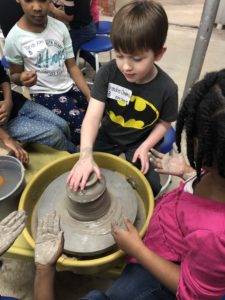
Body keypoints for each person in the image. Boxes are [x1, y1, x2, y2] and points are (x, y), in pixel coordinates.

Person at [34, 67, 225, 300]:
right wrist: (188, 173)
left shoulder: (213, 233)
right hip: (170, 233)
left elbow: (194, 292)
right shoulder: (214, 172)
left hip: (164, 271)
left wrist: (137, 249)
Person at [67, 0, 178, 196]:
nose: (126, 66)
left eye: (136, 59)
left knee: (150, 188)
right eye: (119, 55)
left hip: (140, 141)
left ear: (159, 53)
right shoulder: (108, 73)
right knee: (79, 176)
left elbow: (165, 122)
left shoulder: (167, 88)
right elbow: (92, 117)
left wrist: (146, 146)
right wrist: (85, 155)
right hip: (108, 135)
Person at [4, 0, 90, 146]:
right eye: (29, 0)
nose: (37, 7)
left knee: (92, 113)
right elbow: (14, 75)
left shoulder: (60, 27)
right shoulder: (14, 38)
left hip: (68, 86)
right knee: (79, 124)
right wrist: (22, 78)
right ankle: (76, 153)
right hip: (44, 93)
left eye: (43, 0)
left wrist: (89, 95)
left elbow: (72, 66)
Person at [0, 62, 76, 157]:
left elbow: (2, 76)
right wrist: (6, 138)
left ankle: (70, 150)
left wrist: (8, 100)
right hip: (5, 122)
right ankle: (75, 155)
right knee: (54, 134)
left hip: (16, 102)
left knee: (63, 125)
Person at [50, 0, 97, 71]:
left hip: (82, 30)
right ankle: (98, 66)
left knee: (68, 54)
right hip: (89, 26)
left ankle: (69, 75)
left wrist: (53, 10)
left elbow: (70, 17)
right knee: (78, 49)